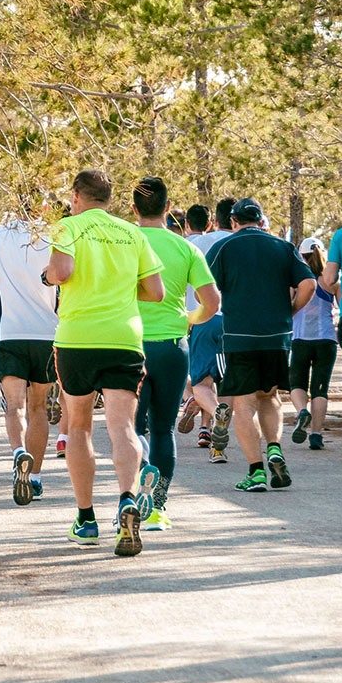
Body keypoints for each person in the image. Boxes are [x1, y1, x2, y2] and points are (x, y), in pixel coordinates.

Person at [44, 169, 165, 557]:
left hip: (78, 338)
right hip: (124, 338)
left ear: (76, 196)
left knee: (78, 426)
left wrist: (48, 278)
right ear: (110, 199)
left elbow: (62, 272)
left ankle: (86, 519)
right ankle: (127, 500)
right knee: (123, 426)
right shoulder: (132, 233)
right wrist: (120, 293)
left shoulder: (68, 227)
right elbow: (156, 291)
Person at [207, 198, 316, 492]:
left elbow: (207, 288)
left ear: (233, 221)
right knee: (269, 397)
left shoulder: (224, 248)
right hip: (276, 336)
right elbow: (309, 285)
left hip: (240, 336)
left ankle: (255, 472)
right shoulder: (283, 247)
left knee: (244, 404)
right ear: (261, 219)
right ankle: (275, 449)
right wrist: (291, 311)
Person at [132, 178, 220, 530]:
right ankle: (157, 509)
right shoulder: (186, 248)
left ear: (134, 209)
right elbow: (212, 302)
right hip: (172, 347)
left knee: (131, 429)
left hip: (130, 347)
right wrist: (189, 319)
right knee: (165, 429)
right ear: (169, 210)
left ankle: (137, 492)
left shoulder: (126, 243)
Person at [0, 203, 58, 505]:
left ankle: (19, 452)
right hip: (47, 331)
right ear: (44, 204)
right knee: (39, 409)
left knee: (14, 407)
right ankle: (35, 477)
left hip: (11, 333)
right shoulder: (56, 232)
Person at [181, 198, 237, 459]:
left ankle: (213, 415)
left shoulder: (192, 244)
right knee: (226, 385)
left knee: (201, 383)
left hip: (201, 318)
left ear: (215, 221)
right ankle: (214, 441)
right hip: (235, 322)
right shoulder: (240, 243)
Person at [289, 237, 335, 451]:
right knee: (320, 388)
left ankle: (301, 412)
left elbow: (287, 306)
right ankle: (316, 435)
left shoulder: (297, 280)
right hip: (326, 339)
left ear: (301, 256)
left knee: (297, 383)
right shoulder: (332, 281)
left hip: (300, 338)